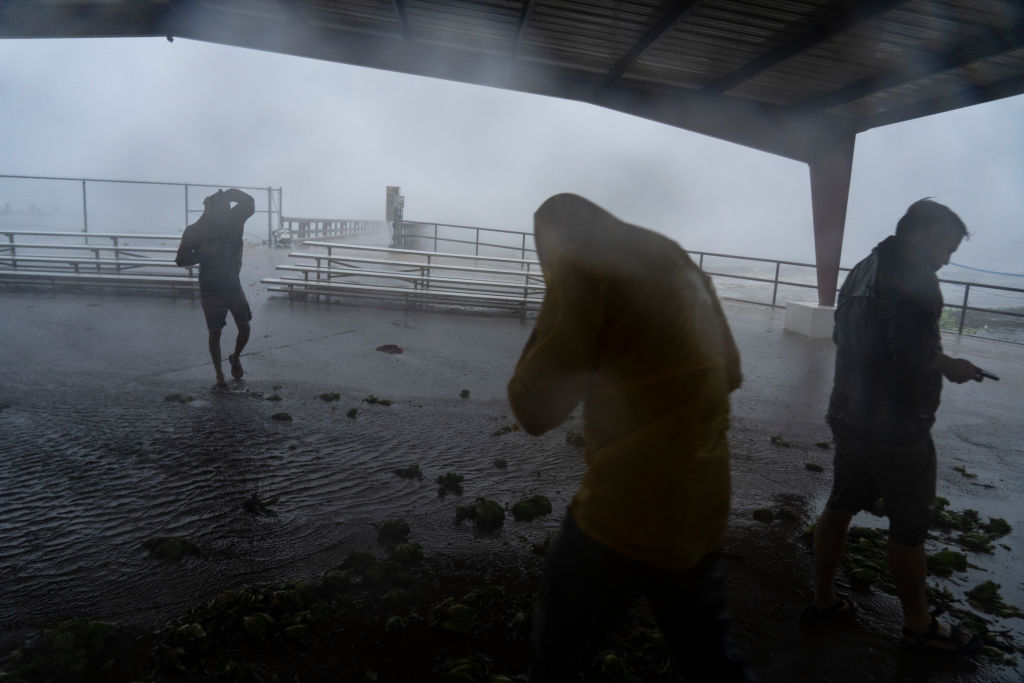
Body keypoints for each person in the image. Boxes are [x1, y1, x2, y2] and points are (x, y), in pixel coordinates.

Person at [508, 194, 750, 682]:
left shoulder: (579, 264)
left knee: (558, 651)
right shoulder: (672, 254)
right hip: (703, 502)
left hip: (625, 503)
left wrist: (546, 322)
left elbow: (535, 409)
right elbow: (732, 371)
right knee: (708, 659)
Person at [806, 198, 987, 653]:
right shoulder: (916, 278)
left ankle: (824, 600)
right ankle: (918, 626)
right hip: (896, 426)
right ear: (924, 234)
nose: (946, 259)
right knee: (909, 527)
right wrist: (952, 365)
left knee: (840, 504)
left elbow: (841, 335)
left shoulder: (864, 267)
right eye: (946, 246)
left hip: (848, 411)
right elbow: (909, 352)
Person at [175, 188, 255, 388]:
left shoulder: (235, 219)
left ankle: (235, 356)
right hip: (210, 286)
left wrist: (229, 193)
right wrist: (201, 254)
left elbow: (250, 203)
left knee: (244, 326)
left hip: (232, 282)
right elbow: (180, 259)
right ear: (209, 210)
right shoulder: (196, 230)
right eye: (220, 210)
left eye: (226, 208)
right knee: (215, 332)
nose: (225, 214)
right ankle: (219, 374)